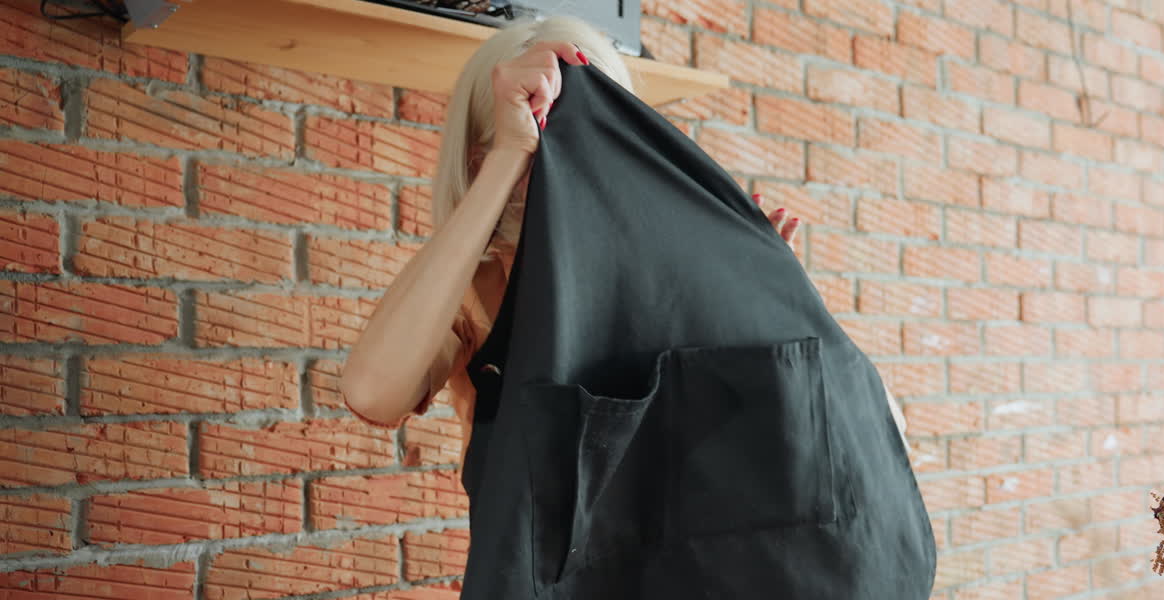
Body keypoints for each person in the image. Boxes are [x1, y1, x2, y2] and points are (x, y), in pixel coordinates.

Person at [339, 15, 905, 459]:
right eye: (547, 141)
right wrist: (515, 150)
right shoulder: (482, 287)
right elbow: (372, 393)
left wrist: (769, 303)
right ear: (480, 156)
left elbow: (882, 433)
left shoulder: (682, 268)